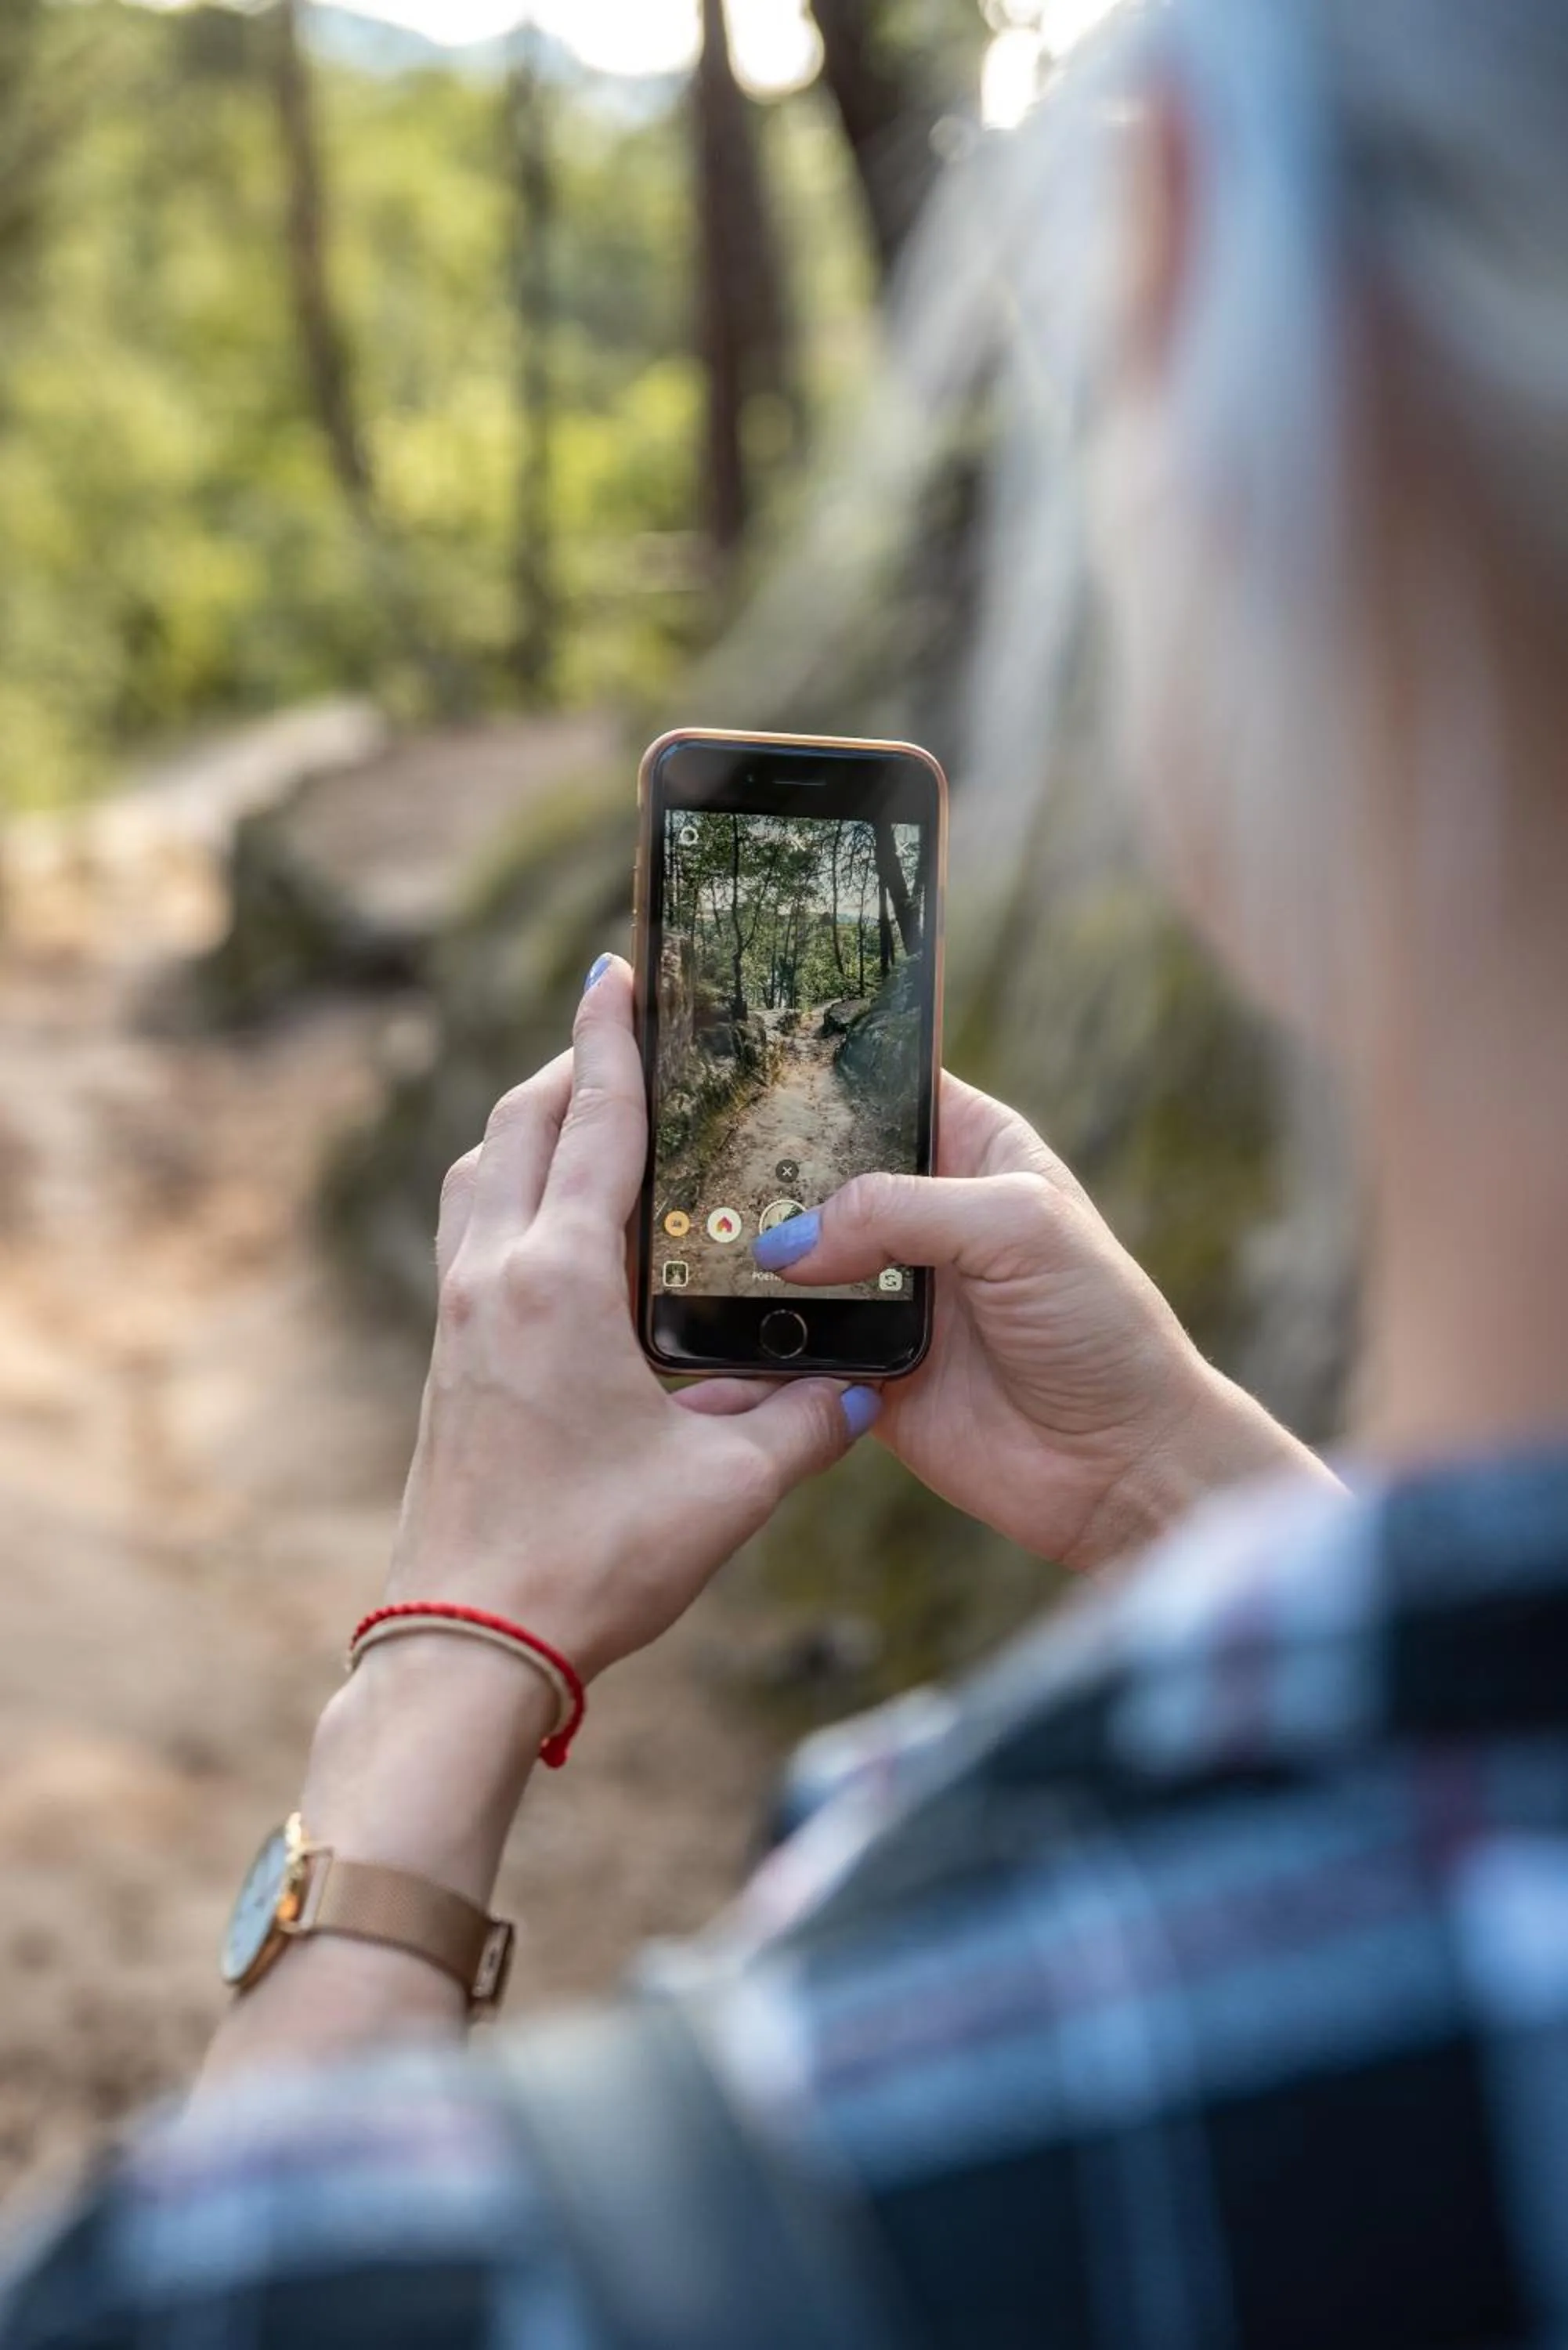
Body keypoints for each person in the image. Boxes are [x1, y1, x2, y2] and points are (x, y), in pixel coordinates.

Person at [7, 0, 1568, 2340]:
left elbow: (255, 2282)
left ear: (1192, 288)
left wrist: (451, 1657)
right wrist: (1182, 1494)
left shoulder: (679, 2224)